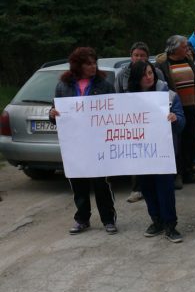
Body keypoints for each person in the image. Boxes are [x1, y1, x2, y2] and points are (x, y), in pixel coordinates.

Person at [48, 47, 118, 235]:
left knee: (101, 184)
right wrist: (52, 114)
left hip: (98, 143)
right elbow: (55, 111)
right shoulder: (63, 86)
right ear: (77, 65)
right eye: (88, 63)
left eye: (95, 62)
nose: (93, 66)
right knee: (78, 184)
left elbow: (116, 111)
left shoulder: (104, 85)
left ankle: (108, 219)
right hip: (75, 143)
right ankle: (82, 219)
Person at [127, 60, 186, 243]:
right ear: (137, 78)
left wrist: (175, 119)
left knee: (165, 189)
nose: (148, 77)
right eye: (144, 74)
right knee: (147, 188)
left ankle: (170, 224)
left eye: (151, 72)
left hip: (163, 152)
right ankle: (156, 220)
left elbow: (182, 124)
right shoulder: (127, 99)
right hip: (141, 153)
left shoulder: (169, 96)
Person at [115, 41, 164, 203]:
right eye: (136, 55)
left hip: (154, 122)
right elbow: (117, 97)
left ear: (147, 57)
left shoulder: (156, 72)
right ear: (131, 56)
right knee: (135, 156)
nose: (139, 58)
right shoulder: (122, 74)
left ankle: (157, 186)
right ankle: (137, 189)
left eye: (142, 55)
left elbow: (163, 94)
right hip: (132, 123)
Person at [156, 35, 195, 187]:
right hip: (176, 110)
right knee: (178, 142)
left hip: (192, 107)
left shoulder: (188, 61)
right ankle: (177, 174)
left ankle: (188, 171)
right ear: (175, 48)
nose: (187, 49)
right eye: (184, 47)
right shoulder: (163, 65)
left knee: (191, 140)